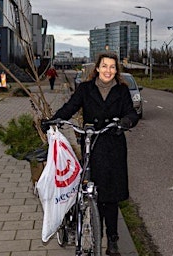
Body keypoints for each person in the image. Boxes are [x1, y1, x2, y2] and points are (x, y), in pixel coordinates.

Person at [48, 52, 139, 256]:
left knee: (112, 197)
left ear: (117, 70)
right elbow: (70, 107)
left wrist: (125, 122)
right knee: (94, 191)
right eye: (104, 66)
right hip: (93, 144)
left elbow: (132, 113)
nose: (108, 70)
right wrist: (54, 119)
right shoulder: (85, 89)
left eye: (112, 67)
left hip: (114, 144)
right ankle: (88, 227)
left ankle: (113, 240)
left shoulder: (122, 90)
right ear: (97, 68)